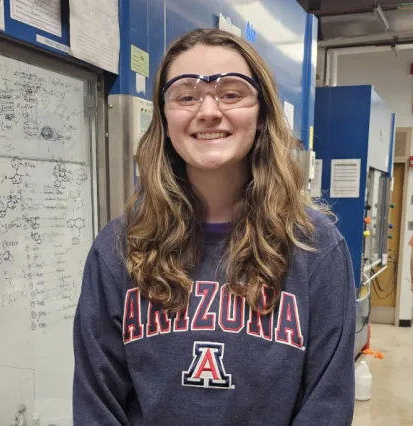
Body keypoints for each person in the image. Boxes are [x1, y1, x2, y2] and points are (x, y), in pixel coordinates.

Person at [73, 28, 356, 425]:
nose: (207, 110)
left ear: (261, 115)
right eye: (186, 95)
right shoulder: (119, 247)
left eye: (231, 93)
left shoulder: (314, 247)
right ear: (165, 119)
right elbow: (96, 404)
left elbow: (327, 404)